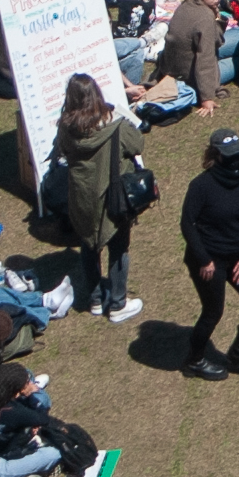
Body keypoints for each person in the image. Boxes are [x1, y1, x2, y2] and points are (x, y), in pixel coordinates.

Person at [38, 72, 144, 323]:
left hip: (81, 198)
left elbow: (61, 150)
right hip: (112, 196)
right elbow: (137, 144)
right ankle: (118, 303)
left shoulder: (65, 127)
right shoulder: (114, 123)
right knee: (118, 247)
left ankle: (95, 299)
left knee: (88, 245)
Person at [179, 125, 239, 380]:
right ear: (216, 155)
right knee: (213, 312)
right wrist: (204, 259)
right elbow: (188, 224)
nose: (234, 160)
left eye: (237, 155)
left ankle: (238, 351)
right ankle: (194, 360)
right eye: (228, 155)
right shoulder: (201, 186)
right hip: (209, 261)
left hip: (237, 259)